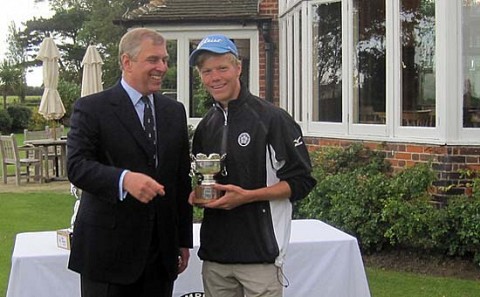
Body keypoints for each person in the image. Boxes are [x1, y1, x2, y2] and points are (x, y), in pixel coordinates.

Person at [67, 28, 193, 297]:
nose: (162, 67)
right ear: (127, 62)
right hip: (108, 254)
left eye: (165, 60)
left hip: (161, 256)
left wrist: (182, 240)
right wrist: (123, 180)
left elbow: (181, 180)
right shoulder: (91, 108)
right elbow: (77, 166)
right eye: (153, 60)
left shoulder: (174, 112)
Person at [188, 34, 317, 297]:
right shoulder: (205, 127)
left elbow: (302, 181)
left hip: (261, 256)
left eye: (222, 68)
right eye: (207, 71)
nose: (215, 77)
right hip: (216, 257)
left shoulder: (272, 119)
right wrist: (198, 195)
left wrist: (248, 197)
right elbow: (204, 182)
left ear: (238, 68)